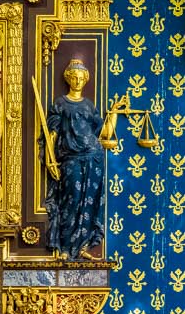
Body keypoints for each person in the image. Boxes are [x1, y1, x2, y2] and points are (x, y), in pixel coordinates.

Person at [44, 58, 126, 259]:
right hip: (70, 158)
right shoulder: (61, 104)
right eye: (75, 77)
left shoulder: (89, 106)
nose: (78, 81)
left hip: (93, 157)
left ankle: (83, 247)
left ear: (85, 80)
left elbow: (105, 133)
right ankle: (64, 249)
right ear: (69, 79)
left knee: (89, 203)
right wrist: (49, 159)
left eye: (81, 78)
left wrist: (113, 112)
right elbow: (52, 135)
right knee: (70, 201)